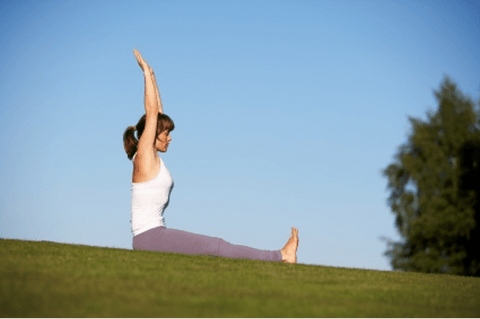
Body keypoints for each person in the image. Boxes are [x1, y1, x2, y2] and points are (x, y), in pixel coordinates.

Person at [123, 49, 299, 263]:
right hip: (149, 237)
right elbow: (152, 112)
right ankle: (280, 257)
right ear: (151, 136)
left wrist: (153, 75)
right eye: (166, 134)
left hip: (152, 235)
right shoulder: (143, 156)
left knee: (210, 251)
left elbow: (157, 112)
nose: (169, 138)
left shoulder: (150, 156)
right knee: (215, 246)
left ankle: (279, 257)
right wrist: (145, 74)